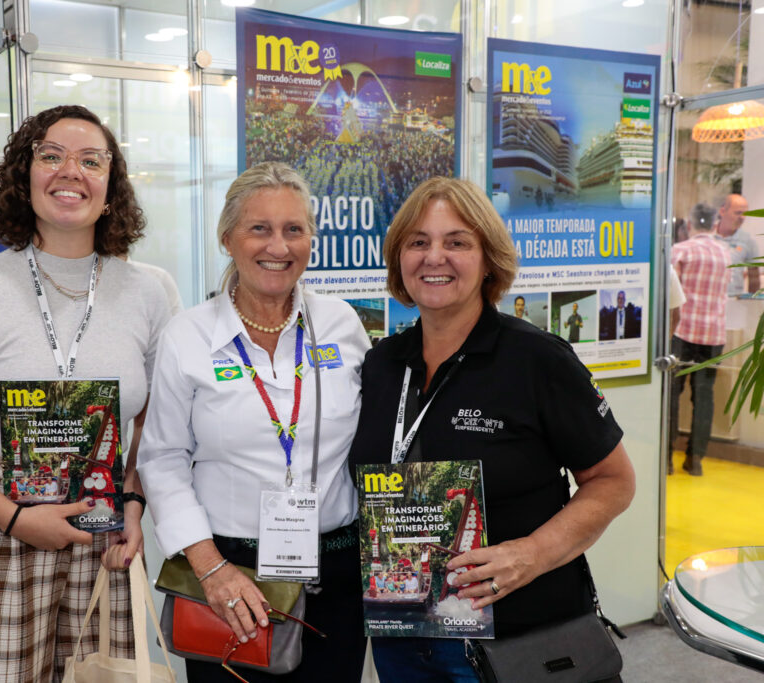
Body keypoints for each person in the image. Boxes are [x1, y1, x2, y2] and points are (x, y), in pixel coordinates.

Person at [0, 105, 170, 681]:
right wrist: (14, 518)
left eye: (90, 160)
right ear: (24, 177)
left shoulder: (149, 293)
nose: (70, 171)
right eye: (51, 156)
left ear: (111, 184)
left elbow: (154, 421)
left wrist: (132, 501)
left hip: (104, 527)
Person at [348, 177, 635, 681]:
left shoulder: (536, 359)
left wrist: (529, 554)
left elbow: (614, 481)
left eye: (456, 242)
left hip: (520, 636)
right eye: (418, 242)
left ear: (488, 258)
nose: (434, 257)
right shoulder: (382, 364)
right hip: (405, 635)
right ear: (398, 258)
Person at [138, 162, 371, 682]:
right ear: (228, 238)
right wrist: (210, 568)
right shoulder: (189, 336)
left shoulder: (342, 324)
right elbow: (162, 458)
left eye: (294, 229)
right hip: (228, 576)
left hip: (335, 571)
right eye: (259, 228)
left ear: (312, 237)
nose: (278, 246)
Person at [670, 202, 729, 476]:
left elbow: (671, 295)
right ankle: (695, 461)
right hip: (714, 334)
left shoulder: (680, 251)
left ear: (690, 224)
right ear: (716, 224)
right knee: (704, 398)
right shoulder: (725, 253)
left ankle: (666, 457)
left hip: (682, 332)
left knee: (672, 395)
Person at [714, 193, 760, 296]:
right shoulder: (707, 237)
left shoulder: (748, 241)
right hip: (709, 300)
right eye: (738, 213)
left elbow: (754, 278)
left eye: (745, 213)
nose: (742, 217)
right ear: (722, 211)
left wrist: (752, 304)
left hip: (734, 300)